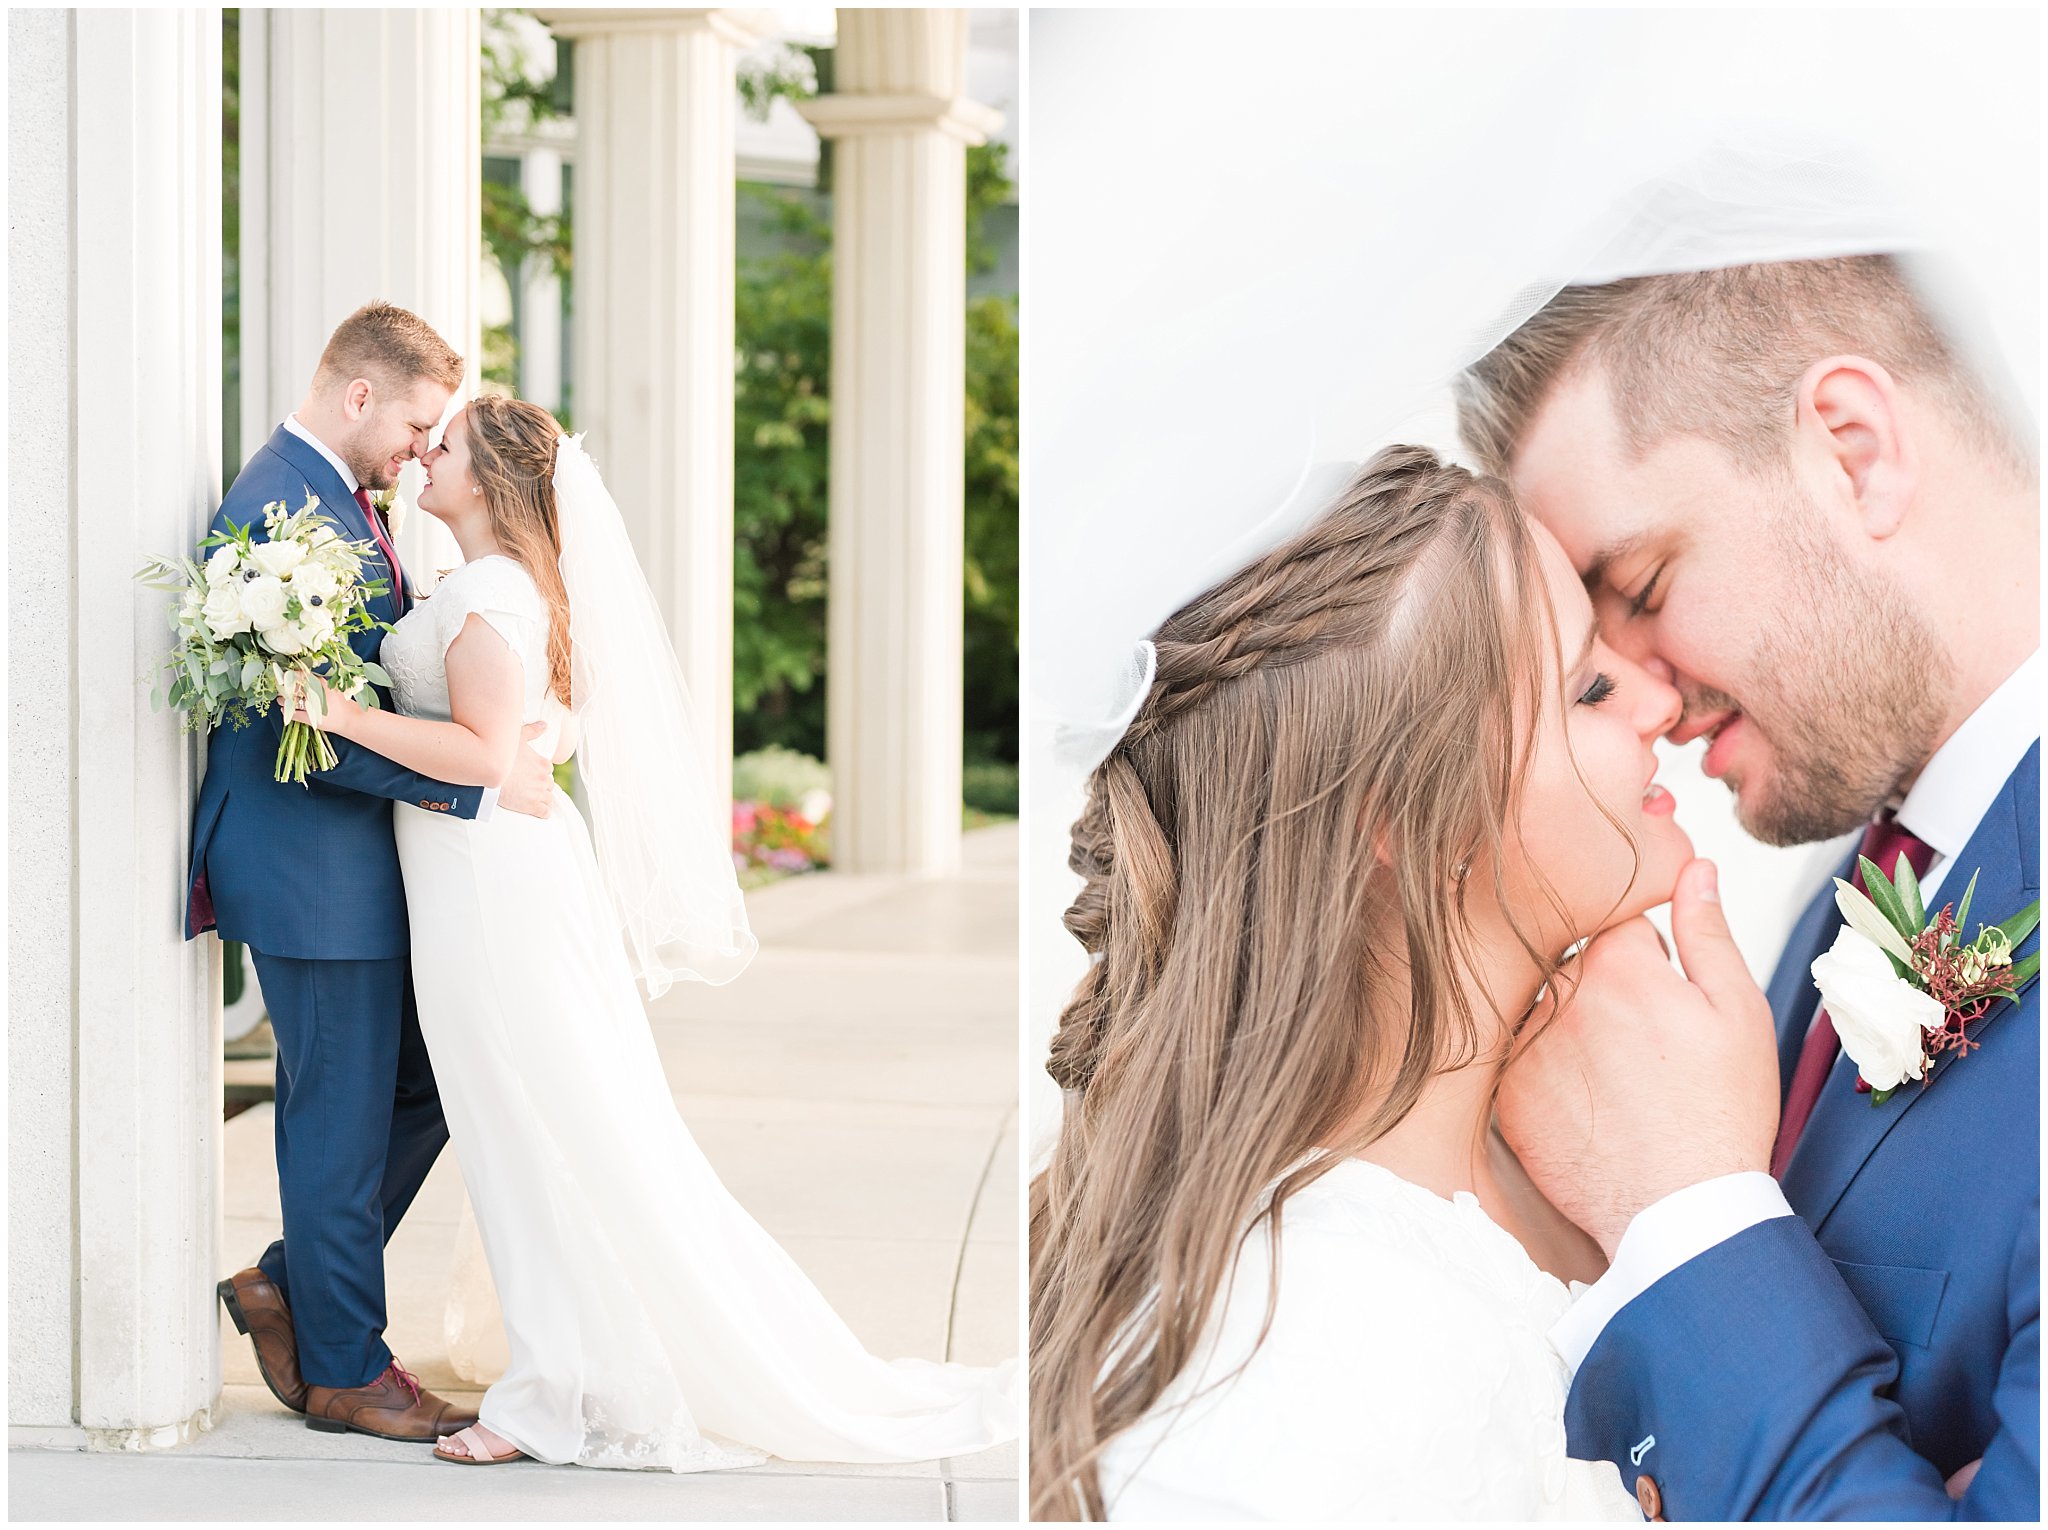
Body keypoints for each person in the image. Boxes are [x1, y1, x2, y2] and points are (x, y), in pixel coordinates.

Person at [288, 393, 1017, 1470]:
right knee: (525, 1124)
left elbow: (489, 754)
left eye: (440, 448)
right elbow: (541, 724)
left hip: (491, 894)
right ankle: (559, 1363)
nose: (422, 458)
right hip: (478, 881)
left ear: (485, 482)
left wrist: (339, 714)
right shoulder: (490, 587)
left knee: (525, 1126)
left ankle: (546, 1399)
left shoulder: (491, 592)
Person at [1028, 443, 1724, 1519]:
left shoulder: (1578, 1165)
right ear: (1407, 817)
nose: (1661, 700)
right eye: (1587, 685)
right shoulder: (1307, 1354)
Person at [1458, 253, 2038, 1520]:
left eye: (1645, 591)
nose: (1647, 703)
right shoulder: (1848, 906)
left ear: (1848, 449)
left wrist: (1686, 1215)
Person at [196, 302, 557, 1442]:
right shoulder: (275, 510)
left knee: (420, 1088)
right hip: (311, 868)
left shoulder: (338, 500)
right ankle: (347, 1367)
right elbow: (301, 727)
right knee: (342, 1123)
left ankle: (283, 1286)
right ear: (359, 396)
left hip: (359, 867)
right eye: (412, 421)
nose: (419, 446)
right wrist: (477, 781)